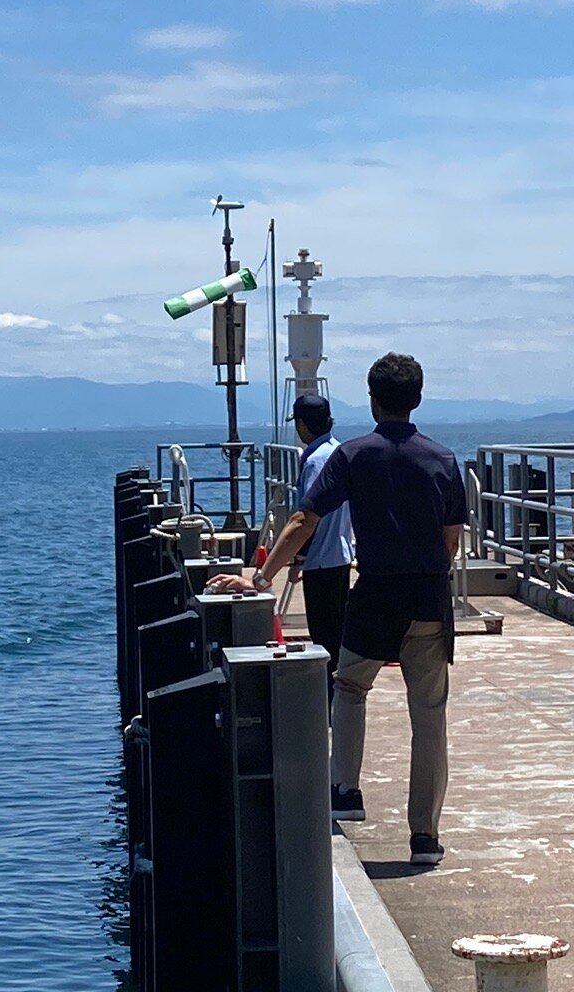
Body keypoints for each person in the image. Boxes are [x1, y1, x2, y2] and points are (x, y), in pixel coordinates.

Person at [221, 353, 464, 869]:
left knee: (351, 688)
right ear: (417, 399)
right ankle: (424, 837)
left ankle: (347, 791)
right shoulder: (443, 459)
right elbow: (451, 541)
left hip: (374, 594)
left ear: (374, 401)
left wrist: (260, 576)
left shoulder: (353, 456)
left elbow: (305, 518)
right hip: (427, 598)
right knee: (429, 717)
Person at [286, 393, 350, 690]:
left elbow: (309, 515)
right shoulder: (340, 451)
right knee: (338, 634)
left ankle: (328, 702)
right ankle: (339, 696)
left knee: (323, 638)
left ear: (301, 424)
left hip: (320, 559)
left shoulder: (314, 461)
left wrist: (298, 557)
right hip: (341, 554)